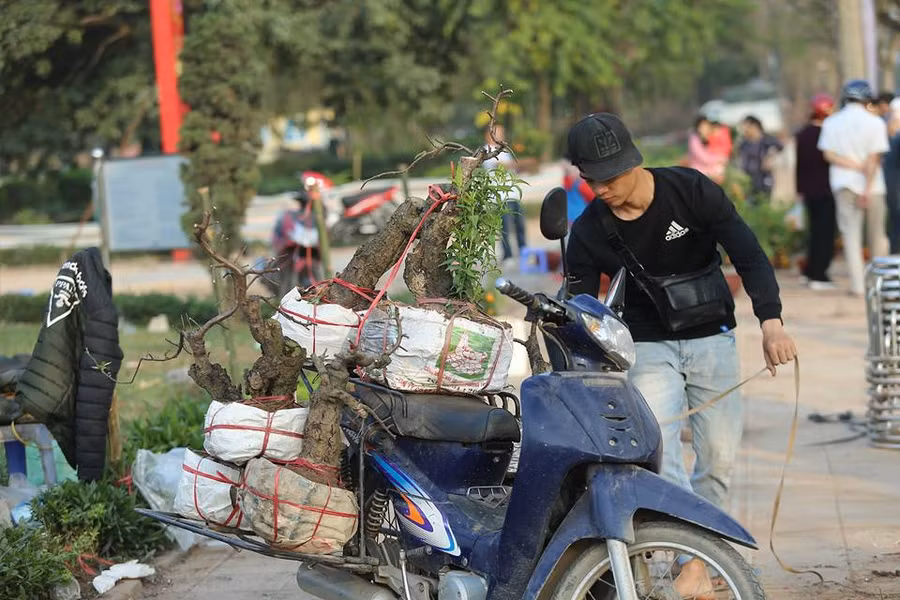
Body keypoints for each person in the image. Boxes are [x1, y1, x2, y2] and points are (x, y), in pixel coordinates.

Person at [565, 112, 797, 597]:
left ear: (633, 162)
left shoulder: (691, 191)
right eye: (591, 180)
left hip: (713, 336)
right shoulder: (589, 229)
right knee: (662, 451)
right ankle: (694, 563)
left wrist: (771, 322)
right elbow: (580, 306)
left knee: (718, 457)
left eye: (609, 178)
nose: (600, 189)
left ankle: (696, 559)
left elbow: (749, 254)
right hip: (647, 345)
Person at [817, 79, 890, 296]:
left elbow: (828, 155)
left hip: (844, 184)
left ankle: (858, 286)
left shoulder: (831, 122)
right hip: (873, 186)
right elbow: (874, 158)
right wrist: (866, 187)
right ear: (866, 99)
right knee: (877, 237)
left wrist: (852, 166)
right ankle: (879, 285)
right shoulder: (875, 122)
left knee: (851, 236)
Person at [795, 93, 837, 290]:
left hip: (808, 191)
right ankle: (819, 274)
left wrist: (799, 189)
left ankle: (810, 271)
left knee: (813, 232)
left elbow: (799, 165)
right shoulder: (828, 133)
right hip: (825, 190)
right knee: (825, 233)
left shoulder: (803, 134)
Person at [482, 125, 526, 265]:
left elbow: (513, 169)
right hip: (500, 197)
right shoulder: (487, 150)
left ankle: (524, 252)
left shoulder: (505, 150)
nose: (501, 136)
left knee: (519, 225)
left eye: (502, 133)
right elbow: (501, 165)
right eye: (498, 133)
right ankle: (508, 256)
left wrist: (519, 167)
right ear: (488, 135)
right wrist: (522, 163)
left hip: (513, 194)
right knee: (505, 227)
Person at [737, 115, 783, 201]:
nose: (744, 130)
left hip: (764, 179)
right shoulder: (744, 143)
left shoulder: (767, 140)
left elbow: (780, 148)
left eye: (746, 127)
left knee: (764, 202)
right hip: (748, 180)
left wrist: (771, 157)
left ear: (754, 126)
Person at [687, 116, 728, 184]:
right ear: (698, 128)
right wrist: (720, 159)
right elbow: (703, 158)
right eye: (702, 127)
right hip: (699, 170)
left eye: (707, 127)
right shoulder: (694, 140)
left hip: (709, 169)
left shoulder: (708, 137)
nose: (705, 129)